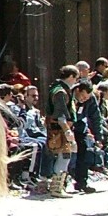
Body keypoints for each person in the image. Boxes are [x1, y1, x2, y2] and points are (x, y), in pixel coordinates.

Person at [44, 65, 80, 198]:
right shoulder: (60, 92)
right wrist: (67, 131)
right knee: (64, 156)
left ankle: (58, 186)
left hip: (59, 128)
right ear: (71, 76)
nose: (76, 81)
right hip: (59, 130)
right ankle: (57, 188)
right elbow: (60, 116)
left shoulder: (59, 89)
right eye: (76, 78)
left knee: (65, 155)